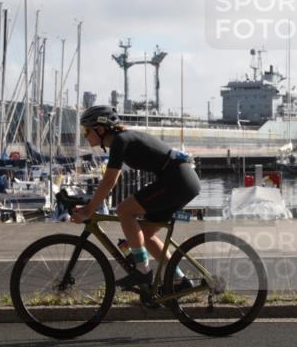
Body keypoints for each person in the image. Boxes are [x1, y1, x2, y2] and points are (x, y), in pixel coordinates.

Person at [70, 105, 200, 290]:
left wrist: (88, 210)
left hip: (177, 180)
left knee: (124, 209)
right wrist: (89, 205)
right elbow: (108, 182)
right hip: (180, 180)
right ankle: (180, 281)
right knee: (145, 235)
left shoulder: (121, 141)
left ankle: (143, 270)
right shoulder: (123, 139)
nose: (84, 135)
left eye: (86, 130)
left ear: (100, 129)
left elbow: (109, 181)